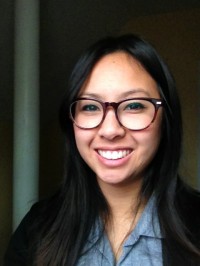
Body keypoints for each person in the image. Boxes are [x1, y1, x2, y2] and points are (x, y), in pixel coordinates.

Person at [4, 34, 200, 266]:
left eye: (134, 105)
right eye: (90, 107)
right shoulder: (36, 227)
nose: (110, 130)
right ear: (72, 122)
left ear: (165, 119)